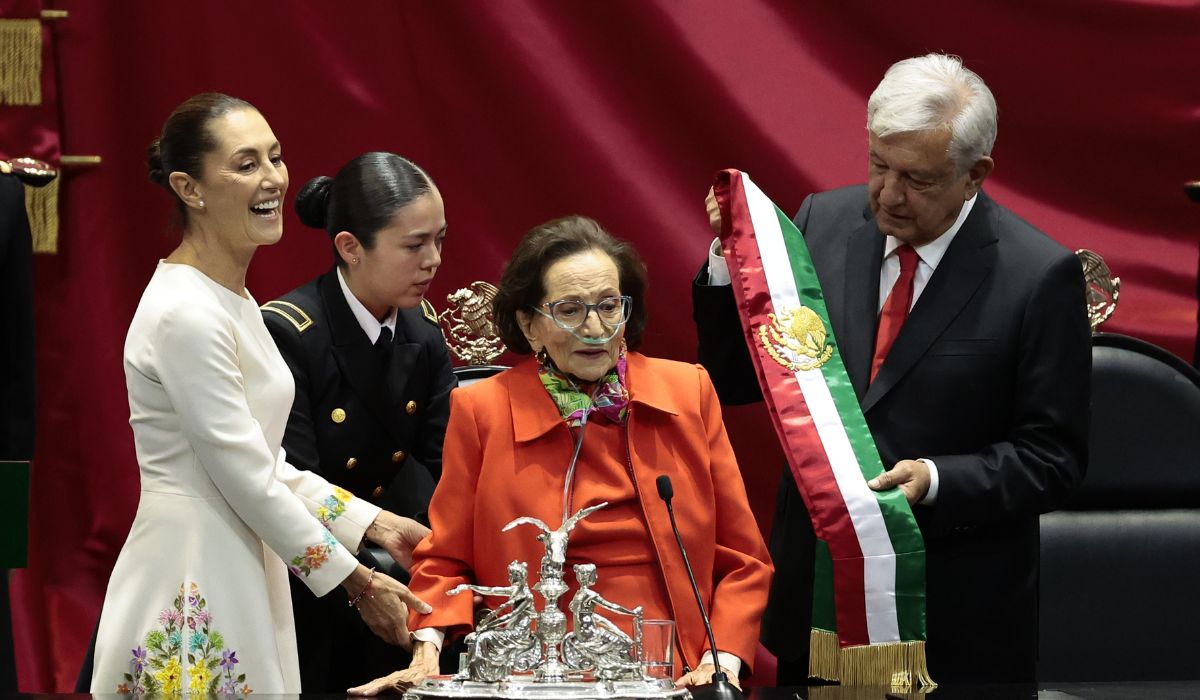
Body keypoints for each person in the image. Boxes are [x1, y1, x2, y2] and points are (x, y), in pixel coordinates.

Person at [693, 54, 1090, 684]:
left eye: (919, 179)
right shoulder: (820, 223)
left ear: (974, 175)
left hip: (952, 622)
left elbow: (1054, 459)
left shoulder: (1039, 276)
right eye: (878, 164)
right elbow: (742, 383)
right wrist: (728, 262)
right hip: (816, 607)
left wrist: (936, 479)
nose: (888, 194)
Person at [89, 93, 431, 695]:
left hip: (248, 556)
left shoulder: (231, 297)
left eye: (275, 157)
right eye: (246, 164)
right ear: (189, 188)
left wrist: (375, 524)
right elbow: (247, 477)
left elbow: (266, 462)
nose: (273, 178)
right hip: (193, 572)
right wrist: (359, 582)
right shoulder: (185, 311)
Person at [350, 215, 772, 695]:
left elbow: (743, 559)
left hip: (674, 665)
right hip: (534, 669)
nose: (595, 328)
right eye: (570, 310)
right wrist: (426, 652)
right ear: (530, 326)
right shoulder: (481, 410)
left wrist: (723, 663)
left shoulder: (687, 391)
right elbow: (446, 560)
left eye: (609, 306)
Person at [261, 152, 455, 690]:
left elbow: (444, 463)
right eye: (415, 245)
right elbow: (286, 483)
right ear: (350, 247)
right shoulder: (290, 332)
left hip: (399, 556)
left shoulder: (422, 330)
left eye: (440, 239)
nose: (434, 259)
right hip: (313, 570)